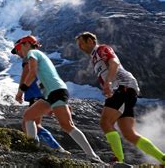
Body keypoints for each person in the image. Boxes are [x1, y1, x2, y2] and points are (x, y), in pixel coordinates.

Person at [76, 32, 165, 165]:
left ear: (90, 41)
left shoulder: (101, 49)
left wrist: (109, 82)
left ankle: (119, 161)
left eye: (81, 43)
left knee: (105, 122)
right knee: (129, 134)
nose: (80, 47)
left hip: (123, 86)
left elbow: (114, 63)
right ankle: (162, 159)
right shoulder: (94, 57)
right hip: (125, 89)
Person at [14, 35, 102, 162]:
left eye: (20, 47)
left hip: (56, 91)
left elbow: (32, 72)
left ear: (27, 44)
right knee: (28, 116)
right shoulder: (40, 55)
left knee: (67, 125)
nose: (19, 51)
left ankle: (92, 156)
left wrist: (21, 90)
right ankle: (32, 147)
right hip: (52, 93)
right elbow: (43, 80)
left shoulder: (32, 53)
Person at [11, 38, 69, 154]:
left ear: (22, 46)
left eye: (17, 50)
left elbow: (27, 72)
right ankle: (52, 148)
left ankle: (46, 148)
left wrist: (20, 90)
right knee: (32, 123)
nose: (17, 53)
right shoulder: (37, 56)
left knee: (30, 122)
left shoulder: (29, 57)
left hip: (35, 92)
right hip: (40, 92)